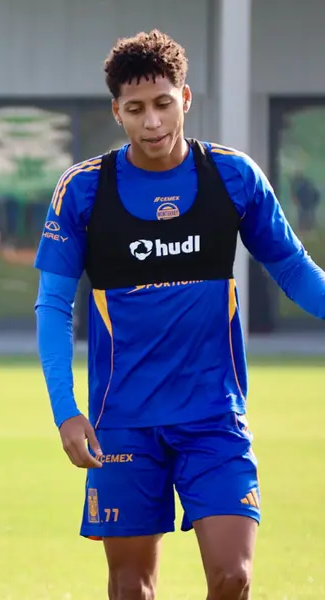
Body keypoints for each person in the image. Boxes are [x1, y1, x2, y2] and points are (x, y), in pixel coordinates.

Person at [34, 29, 325, 599]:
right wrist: (65, 411)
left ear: (185, 99)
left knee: (233, 575)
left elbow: (293, 270)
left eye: (163, 103)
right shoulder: (84, 190)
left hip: (213, 416)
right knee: (131, 587)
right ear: (117, 111)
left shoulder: (233, 177)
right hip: (123, 420)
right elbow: (52, 306)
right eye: (136, 109)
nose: (152, 122)